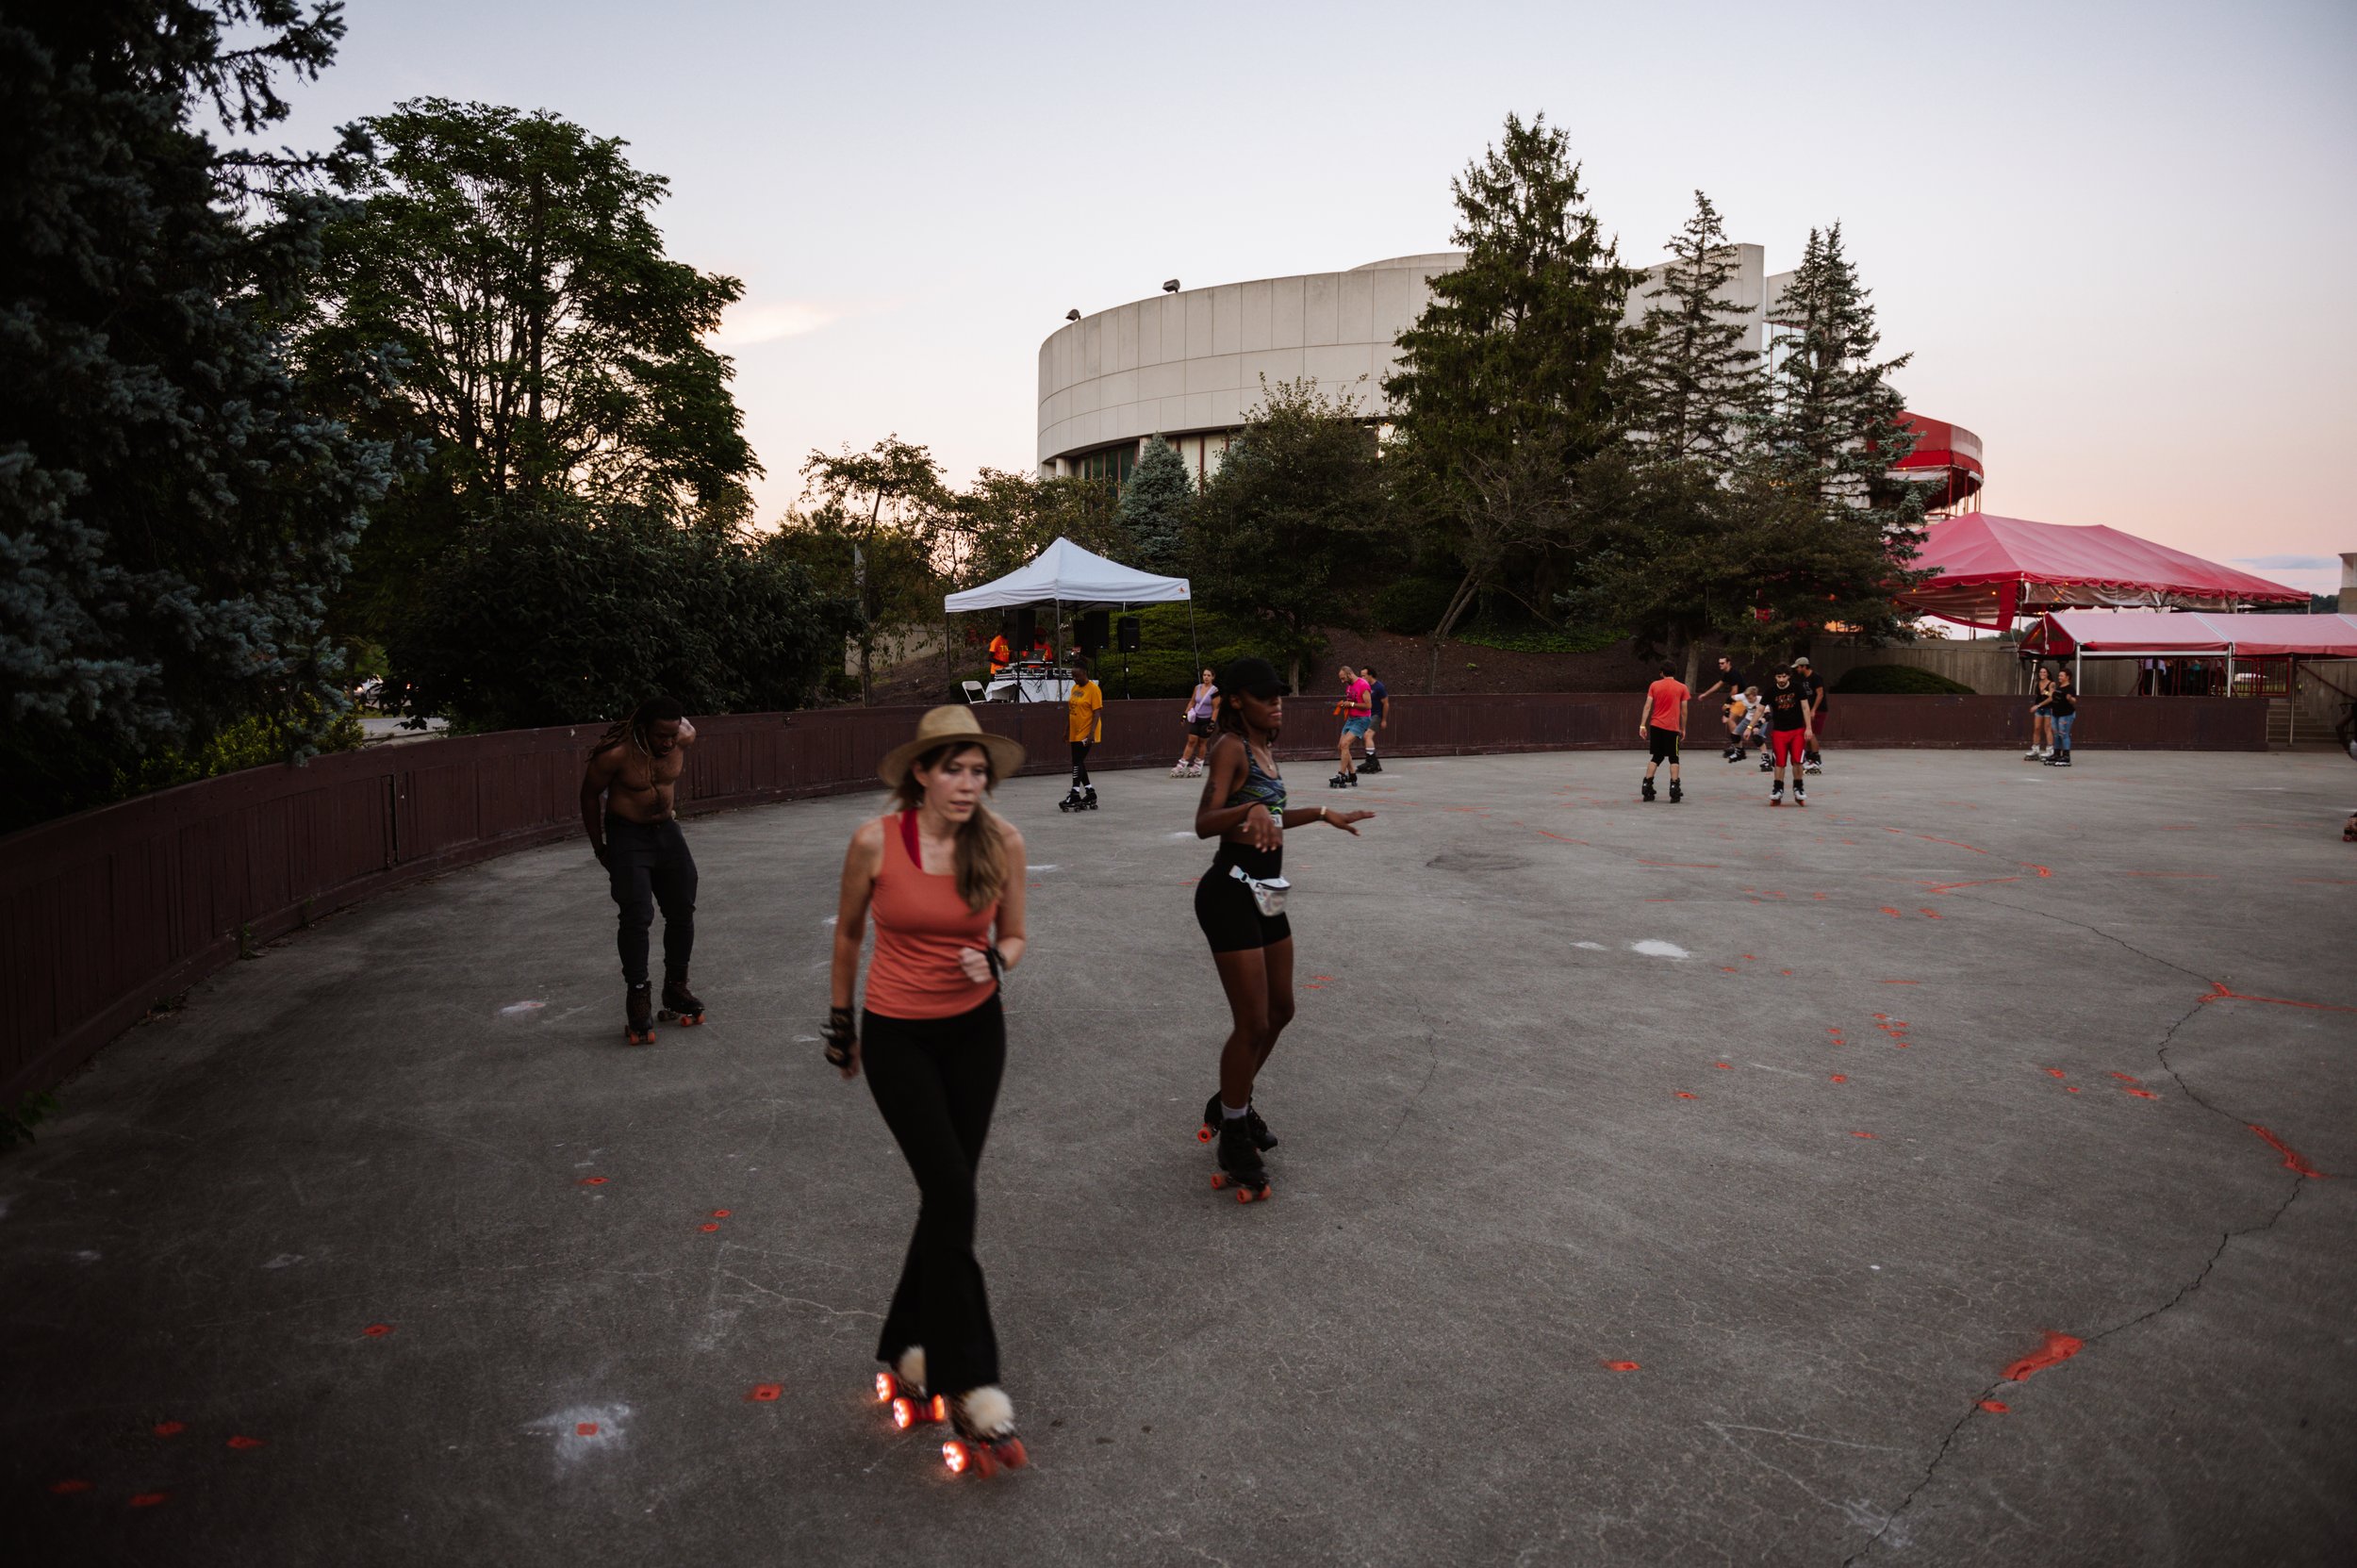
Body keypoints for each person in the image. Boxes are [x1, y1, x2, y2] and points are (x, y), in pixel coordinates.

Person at [824, 705, 1031, 1477]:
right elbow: (849, 933)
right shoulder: (877, 841)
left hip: (978, 1035)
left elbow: (1014, 933)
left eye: (979, 771)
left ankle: (906, 1349)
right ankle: (971, 1379)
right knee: (951, 1192)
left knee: (948, 1196)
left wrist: (999, 963)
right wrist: (840, 1024)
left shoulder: (1002, 841)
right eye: (955, 768)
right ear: (922, 771)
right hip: (898, 1036)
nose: (969, 783)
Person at [1193, 657, 1372, 1202]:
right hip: (1229, 889)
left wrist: (1320, 812)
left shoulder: (1266, 750)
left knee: (1282, 1010)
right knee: (1251, 1021)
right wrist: (1246, 812)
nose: (1277, 703)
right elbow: (1205, 822)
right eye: (1266, 696)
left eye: (1279, 696)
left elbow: (1270, 814)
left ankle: (1230, 1102)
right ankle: (1234, 1128)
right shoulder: (1230, 748)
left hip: (1269, 889)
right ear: (1239, 701)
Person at [579, 697, 701, 1045]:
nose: (667, 742)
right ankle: (638, 994)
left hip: (667, 832)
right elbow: (589, 795)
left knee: (682, 908)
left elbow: (682, 730)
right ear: (641, 729)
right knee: (637, 914)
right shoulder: (615, 754)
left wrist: (677, 730)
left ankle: (676, 987)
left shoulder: (683, 736)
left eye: (672, 734)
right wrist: (599, 847)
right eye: (660, 735)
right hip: (628, 834)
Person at [1639, 661, 1689, 803]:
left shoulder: (1654, 685)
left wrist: (1642, 725)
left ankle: (1647, 785)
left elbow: (1648, 706)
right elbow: (1684, 712)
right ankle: (1674, 788)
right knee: (1674, 758)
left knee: (1656, 757)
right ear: (1675, 672)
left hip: (1656, 725)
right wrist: (1683, 728)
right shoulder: (1682, 687)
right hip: (1672, 727)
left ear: (1661, 672)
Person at [1059, 658, 1104, 811]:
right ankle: (1090, 792)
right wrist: (1066, 729)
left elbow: (1097, 713)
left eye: (1077, 676)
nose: (1074, 679)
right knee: (1078, 762)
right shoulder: (1075, 688)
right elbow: (1071, 710)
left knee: (1077, 761)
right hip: (1075, 730)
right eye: (1073, 676)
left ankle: (1075, 793)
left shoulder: (1094, 689)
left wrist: (1091, 734)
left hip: (1087, 731)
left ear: (1084, 673)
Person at [1764, 669, 1814, 807]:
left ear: (1788, 676)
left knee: (1797, 760)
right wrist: (1750, 727)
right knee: (1779, 762)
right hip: (1779, 731)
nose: (1781, 679)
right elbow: (1759, 709)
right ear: (1775, 676)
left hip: (1797, 730)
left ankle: (1798, 787)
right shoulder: (1770, 691)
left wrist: (1808, 728)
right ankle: (1778, 788)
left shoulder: (1798, 688)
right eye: (1779, 676)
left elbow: (1805, 708)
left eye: (1784, 676)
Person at [1692, 654, 1743, 756]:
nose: (1720, 665)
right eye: (1719, 663)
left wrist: (1728, 703)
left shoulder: (1733, 673)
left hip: (1741, 698)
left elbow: (1735, 690)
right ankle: (1736, 745)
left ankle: (1739, 747)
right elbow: (1718, 685)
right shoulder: (1727, 673)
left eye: (1722, 663)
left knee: (1730, 720)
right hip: (1738, 698)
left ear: (1728, 663)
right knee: (1731, 721)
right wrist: (1705, 694)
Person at [1331, 664, 1373, 789]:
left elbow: (1368, 705)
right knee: (1341, 746)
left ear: (1350, 674)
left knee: (1345, 745)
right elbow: (1351, 702)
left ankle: (1342, 775)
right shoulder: (1349, 686)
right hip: (1351, 719)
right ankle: (1353, 774)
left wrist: (1352, 704)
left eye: (1343, 678)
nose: (1342, 681)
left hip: (1362, 719)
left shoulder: (1363, 685)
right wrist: (1345, 704)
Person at [1173, 668, 1218, 778]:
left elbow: (1216, 708)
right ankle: (1182, 764)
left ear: (1213, 677)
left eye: (1208, 675)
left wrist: (1212, 723)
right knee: (1191, 741)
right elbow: (1192, 702)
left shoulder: (1215, 691)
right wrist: (1184, 715)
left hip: (1207, 720)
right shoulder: (1197, 688)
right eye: (1204, 675)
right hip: (1196, 719)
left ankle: (1198, 767)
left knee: (1201, 743)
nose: (1206, 677)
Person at [1793, 655, 1829, 772]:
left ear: (1804, 666)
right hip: (1808, 710)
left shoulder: (1815, 677)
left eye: (1798, 667)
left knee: (1811, 733)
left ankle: (1816, 759)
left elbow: (1820, 694)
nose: (1797, 670)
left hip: (1818, 710)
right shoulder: (1804, 679)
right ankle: (1809, 757)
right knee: (1806, 734)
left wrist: (1813, 710)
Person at [2042, 668, 2078, 767]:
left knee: (2064, 734)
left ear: (2067, 677)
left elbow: (2074, 700)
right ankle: (2057, 754)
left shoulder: (2070, 689)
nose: (2059, 677)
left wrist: (2070, 698)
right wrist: (2045, 692)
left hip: (2066, 715)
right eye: (2059, 675)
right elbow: (2053, 696)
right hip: (2055, 714)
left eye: (2061, 676)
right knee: (2056, 735)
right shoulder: (2058, 688)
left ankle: (2066, 756)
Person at [1359, 665, 1390, 772]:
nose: (1362, 678)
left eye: (1364, 676)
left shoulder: (1379, 687)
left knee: (1368, 735)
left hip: (1376, 715)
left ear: (1370, 675)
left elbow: (1386, 704)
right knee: (1365, 737)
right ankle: (1374, 762)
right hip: (1366, 715)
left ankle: (1370, 761)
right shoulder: (1364, 686)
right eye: (1361, 676)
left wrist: (1384, 719)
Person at [2025, 666, 2055, 761]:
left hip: (2047, 708)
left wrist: (2039, 704)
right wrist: (2038, 706)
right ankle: (2035, 749)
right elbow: (2039, 695)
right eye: (2041, 672)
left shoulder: (2051, 683)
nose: (2042, 674)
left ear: (2048, 674)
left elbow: (2052, 697)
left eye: (2044, 672)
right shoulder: (2038, 683)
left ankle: (2050, 750)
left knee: (2047, 729)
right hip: (2039, 708)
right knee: (2037, 728)